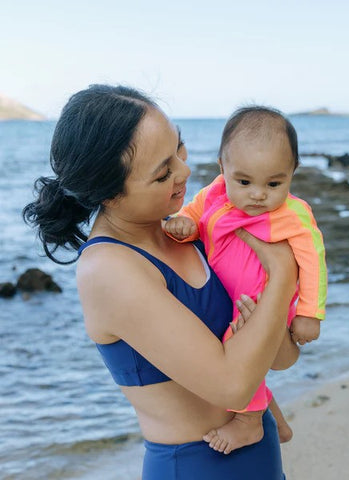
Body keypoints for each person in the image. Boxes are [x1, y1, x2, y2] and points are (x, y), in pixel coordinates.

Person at [22, 85, 299, 480]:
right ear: (111, 194)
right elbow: (235, 385)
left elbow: (283, 358)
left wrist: (274, 303)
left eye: (179, 149)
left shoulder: (192, 231)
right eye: (163, 172)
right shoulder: (109, 269)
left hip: (260, 453)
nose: (186, 171)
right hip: (195, 466)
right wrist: (283, 274)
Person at [165, 106, 327, 455]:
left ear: (292, 173)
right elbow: (193, 215)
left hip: (262, 301)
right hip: (226, 294)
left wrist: (310, 313)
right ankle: (276, 420)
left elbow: (314, 259)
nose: (258, 194)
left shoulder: (292, 214)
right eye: (244, 181)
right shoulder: (214, 193)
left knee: (234, 349)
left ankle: (250, 423)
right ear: (223, 169)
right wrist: (182, 225)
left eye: (274, 183)